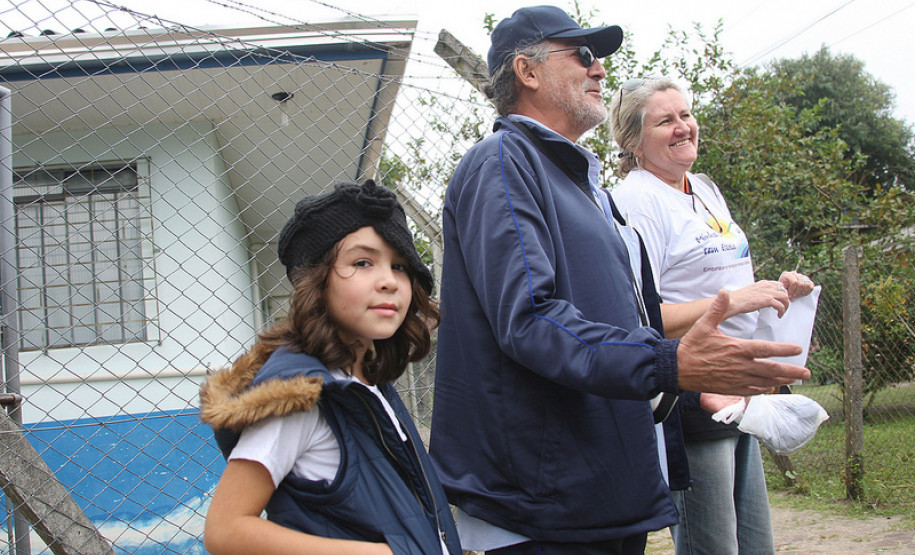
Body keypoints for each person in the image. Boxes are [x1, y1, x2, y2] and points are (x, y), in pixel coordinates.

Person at [429, 5, 811, 555]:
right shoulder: (504, 162)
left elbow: (630, 318)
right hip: (544, 503)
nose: (600, 69)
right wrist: (667, 362)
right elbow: (532, 318)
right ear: (527, 72)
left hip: (597, 485)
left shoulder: (584, 187)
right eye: (582, 55)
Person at [609, 76, 816, 555]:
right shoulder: (636, 202)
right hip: (692, 391)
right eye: (666, 121)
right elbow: (636, 314)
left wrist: (776, 291)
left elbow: (723, 276)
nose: (683, 127)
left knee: (756, 543)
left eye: (685, 115)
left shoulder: (702, 189)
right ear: (634, 142)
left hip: (739, 382)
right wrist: (736, 300)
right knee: (713, 545)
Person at [199, 179, 461, 555]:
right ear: (316, 282)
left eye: (400, 265)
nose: (389, 281)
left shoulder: (369, 383)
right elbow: (225, 530)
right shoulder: (300, 397)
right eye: (362, 262)